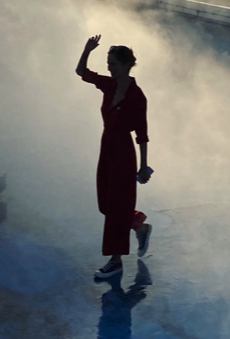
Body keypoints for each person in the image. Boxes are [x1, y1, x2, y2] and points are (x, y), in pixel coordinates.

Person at [76, 34, 153, 278]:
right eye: (108, 64)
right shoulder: (108, 85)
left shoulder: (137, 96)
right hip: (107, 147)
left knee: (116, 206)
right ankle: (138, 225)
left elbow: (142, 134)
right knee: (106, 204)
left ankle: (115, 259)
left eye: (113, 64)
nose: (109, 68)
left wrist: (143, 166)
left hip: (122, 151)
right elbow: (82, 72)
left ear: (126, 65)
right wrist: (87, 49)